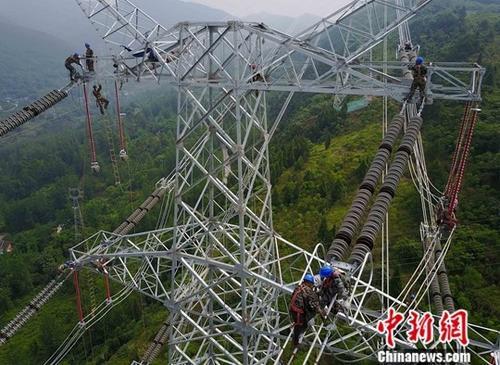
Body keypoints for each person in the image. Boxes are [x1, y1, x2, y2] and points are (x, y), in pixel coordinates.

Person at [289, 273, 326, 347]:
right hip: (298, 312)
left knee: (300, 322)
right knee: (300, 325)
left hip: (293, 308)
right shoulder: (308, 291)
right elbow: (315, 304)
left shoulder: (298, 287)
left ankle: (295, 329)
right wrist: (322, 314)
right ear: (309, 283)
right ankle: (295, 341)